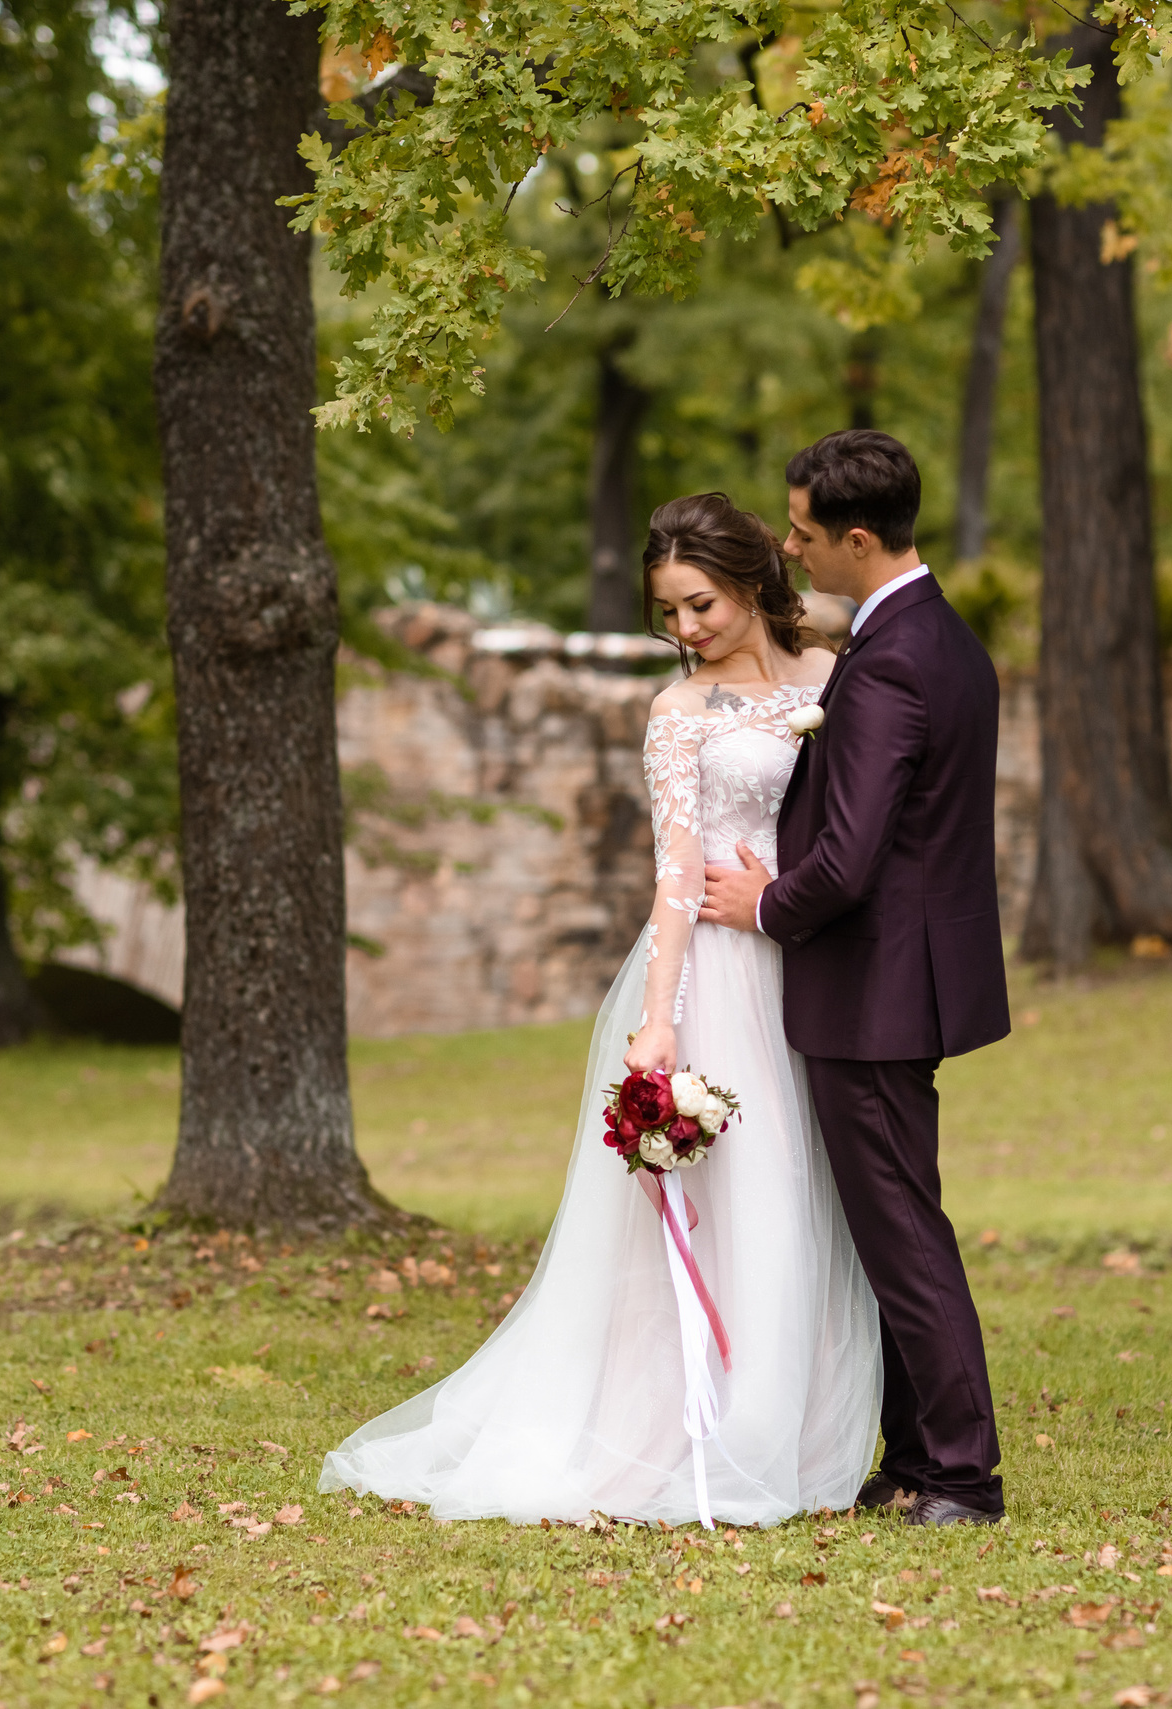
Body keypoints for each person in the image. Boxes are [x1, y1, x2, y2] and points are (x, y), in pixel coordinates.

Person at [319, 492, 881, 1526]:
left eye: (700, 603)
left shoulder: (836, 682)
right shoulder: (677, 713)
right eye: (669, 612)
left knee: (799, 1190)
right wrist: (659, 1020)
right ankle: (694, 1425)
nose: (687, 630)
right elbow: (674, 876)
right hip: (716, 969)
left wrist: (785, 888)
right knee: (730, 1195)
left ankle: (789, 1420)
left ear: (754, 579)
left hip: (803, 964)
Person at [699, 429, 1012, 1526]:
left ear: (859, 538)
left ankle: (964, 1474)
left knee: (902, 1230)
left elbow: (851, 853)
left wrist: (761, 905)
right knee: (891, 1222)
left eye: (801, 532)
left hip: (874, 990)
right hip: (906, 979)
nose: (789, 549)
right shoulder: (943, 639)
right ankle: (916, 1453)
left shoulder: (889, 663)